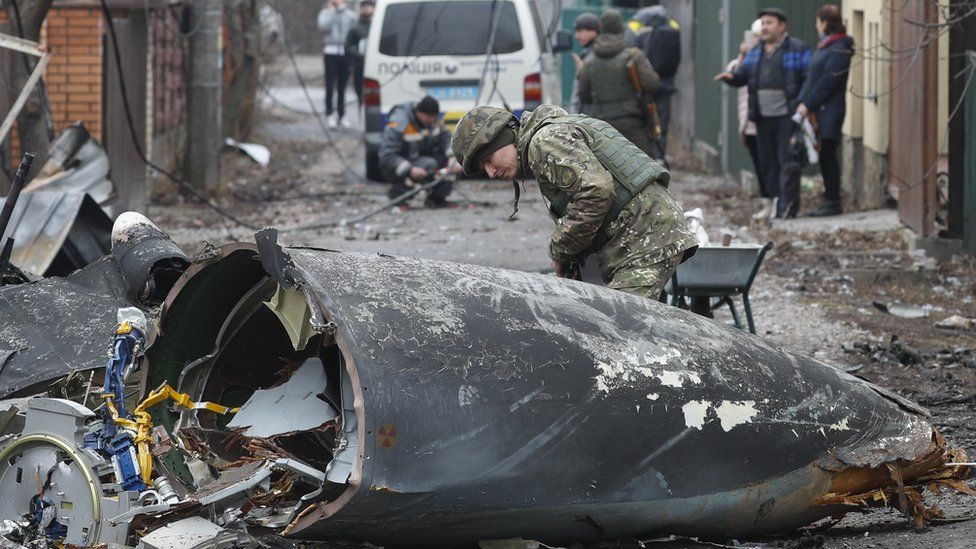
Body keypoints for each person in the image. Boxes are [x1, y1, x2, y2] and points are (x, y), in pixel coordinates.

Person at [451, 104, 698, 300]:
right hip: (640, 234)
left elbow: (596, 191)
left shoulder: (544, 141)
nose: (492, 172)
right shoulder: (551, 134)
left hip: (647, 238)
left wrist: (560, 250)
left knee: (624, 333)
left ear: (503, 138)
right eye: (484, 168)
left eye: (489, 160)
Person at [714, 7, 811, 219]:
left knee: (787, 163)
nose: (765, 27)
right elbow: (743, 75)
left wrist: (803, 104)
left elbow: (808, 79)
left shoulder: (797, 48)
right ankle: (776, 205)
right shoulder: (756, 52)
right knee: (768, 164)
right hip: (762, 117)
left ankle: (788, 209)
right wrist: (731, 77)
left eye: (770, 23)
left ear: (782, 26)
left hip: (787, 116)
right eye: (763, 23)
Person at [578, 10, 661, 158]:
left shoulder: (589, 61)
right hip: (633, 123)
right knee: (644, 168)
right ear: (621, 29)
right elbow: (652, 83)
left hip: (602, 125)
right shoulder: (634, 56)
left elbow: (584, 95)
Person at [796, 4, 853, 217]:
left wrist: (807, 104)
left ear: (825, 23)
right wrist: (804, 101)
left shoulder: (839, 48)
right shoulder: (827, 46)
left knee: (829, 154)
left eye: (818, 22)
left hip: (830, 109)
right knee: (824, 155)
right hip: (819, 109)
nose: (816, 26)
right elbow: (812, 78)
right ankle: (828, 199)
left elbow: (827, 81)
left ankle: (832, 201)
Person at [379, 96, 462, 207]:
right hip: (399, 165)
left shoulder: (433, 121)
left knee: (454, 165)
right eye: (429, 116)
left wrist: (452, 157)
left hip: (422, 159)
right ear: (419, 112)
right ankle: (398, 195)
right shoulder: (400, 122)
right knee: (429, 165)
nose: (432, 120)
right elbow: (387, 155)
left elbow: (446, 138)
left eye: (434, 117)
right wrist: (409, 170)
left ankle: (437, 198)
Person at [728, 19, 773, 218]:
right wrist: (743, 55)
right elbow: (733, 73)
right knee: (759, 164)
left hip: (765, 120)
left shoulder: (767, 58)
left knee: (770, 163)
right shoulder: (748, 59)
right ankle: (766, 201)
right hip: (749, 122)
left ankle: (775, 202)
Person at [626, 0, 681, 155]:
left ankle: (644, 158)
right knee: (661, 122)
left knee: (642, 121)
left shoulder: (634, 25)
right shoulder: (672, 23)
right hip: (666, 81)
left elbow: (628, 55)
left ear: (641, 6)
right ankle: (660, 156)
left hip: (641, 85)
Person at [318, 0, 357, 128]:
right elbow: (323, 27)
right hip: (330, 51)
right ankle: (329, 114)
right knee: (330, 86)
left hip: (345, 53)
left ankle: (342, 115)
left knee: (342, 87)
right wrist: (333, 13)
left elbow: (354, 33)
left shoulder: (350, 15)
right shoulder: (326, 13)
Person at [345, 0, 375, 108]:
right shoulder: (355, 28)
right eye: (364, 6)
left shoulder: (378, 26)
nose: (367, 8)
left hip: (376, 65)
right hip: (360, 66)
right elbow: (348, 47)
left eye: (369, 6)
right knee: (360, 96)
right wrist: (359, 57)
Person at [568, 12, 599, 115]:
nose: (577, 36)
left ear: (593, 31)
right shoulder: (588, 53)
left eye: (580, 31)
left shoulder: (597, 54)